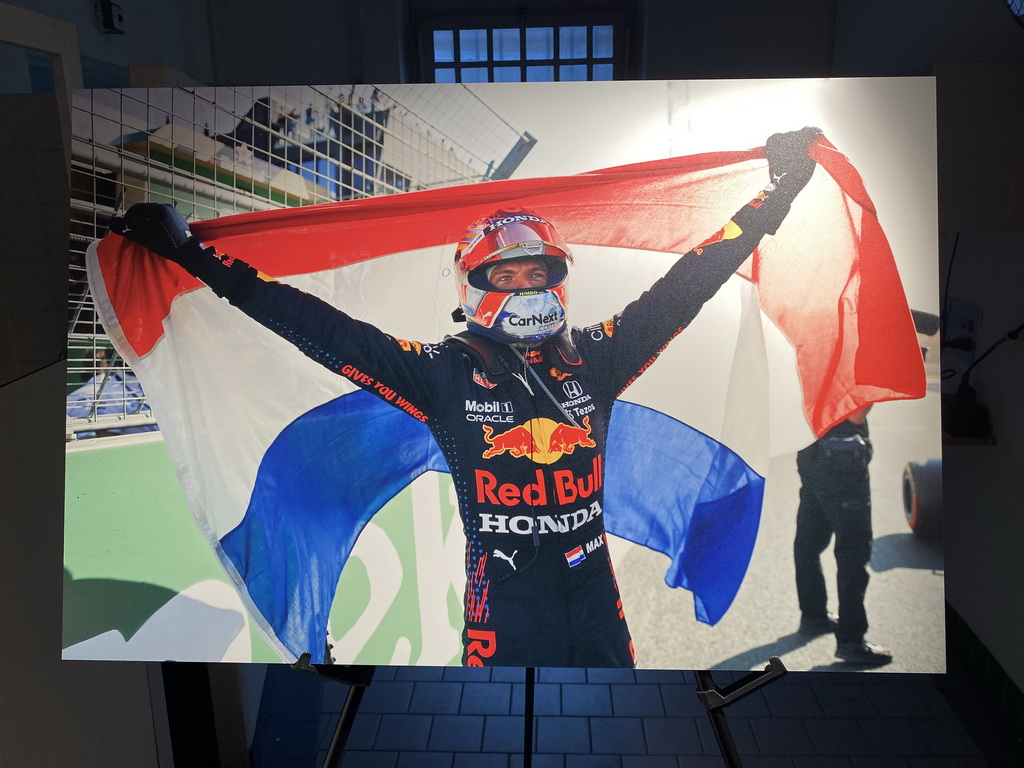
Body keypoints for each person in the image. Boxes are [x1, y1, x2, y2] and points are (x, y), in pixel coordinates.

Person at [109, 127, 821, 668]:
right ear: (477, 287)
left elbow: (690, 283)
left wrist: (780, 190)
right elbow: (318, 327)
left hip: (595, 595)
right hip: (502, 608)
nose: (528, 287)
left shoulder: (596, 356)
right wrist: (191, 255)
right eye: (508, 277)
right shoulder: (442, 373)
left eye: (538, 273)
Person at [794, 405, 893, 666]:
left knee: (808, 544)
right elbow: (856, 413)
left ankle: (813, 616)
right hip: (843, 463)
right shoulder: (849, 364)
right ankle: (851, 641)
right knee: (852, 556)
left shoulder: (805, 362)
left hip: (812, 455)